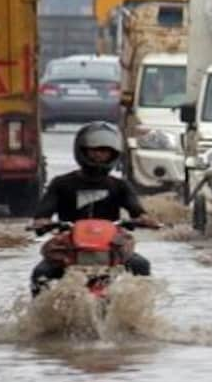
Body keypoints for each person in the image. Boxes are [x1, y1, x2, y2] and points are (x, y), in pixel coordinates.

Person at [30, 122, 162, 294]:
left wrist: (146, 220)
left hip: (110, 245)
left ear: (113, 154)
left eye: (105, 151)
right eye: (95, 150)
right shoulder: (61, 184)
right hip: (70, 246)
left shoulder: (120, 186)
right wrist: (42, 223)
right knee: (41, 273)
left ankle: (139, 312)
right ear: (82, 150)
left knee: (141, 265)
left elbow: (137, 211)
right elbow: (42, 214)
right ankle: (40, 316)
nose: (100, 155)